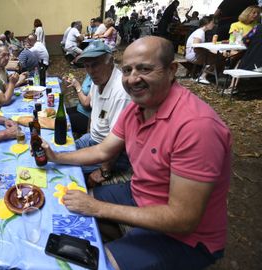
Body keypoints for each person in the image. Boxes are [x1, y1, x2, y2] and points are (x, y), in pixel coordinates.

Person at [42, 36, 230, 270]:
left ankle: (118, 246)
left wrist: (98, 207)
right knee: (67, 200)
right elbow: (102, 150)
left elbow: (183, 219)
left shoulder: (197, 126)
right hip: (138, 194)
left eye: (144, 69)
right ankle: (115, 237)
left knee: (95, 263)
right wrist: (56, 157)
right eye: (128, 69)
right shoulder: (136, 107)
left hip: (185, 238)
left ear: (172, 70)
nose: (133, 79)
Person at [67, 40, 131, 175]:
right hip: (92, 139)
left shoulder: (121, 93)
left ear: (110, 61)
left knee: (69, 170)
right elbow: (92, 110)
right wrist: (88, 134)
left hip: (110, 154)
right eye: (87, 66)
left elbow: (118, 144)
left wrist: (104, 170)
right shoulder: (98, 81)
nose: (90, 71)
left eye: (95, 64)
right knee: (63, 151)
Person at [184, 16, 221, 84]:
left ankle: (202, 75)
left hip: (192, 54)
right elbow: (196, 46)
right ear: (207, 23)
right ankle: (203, 76)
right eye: (212, 23)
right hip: (192, 55)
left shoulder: (200, 31)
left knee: (215, 56)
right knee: (217, 58)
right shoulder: (200, 33)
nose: (213, 24)